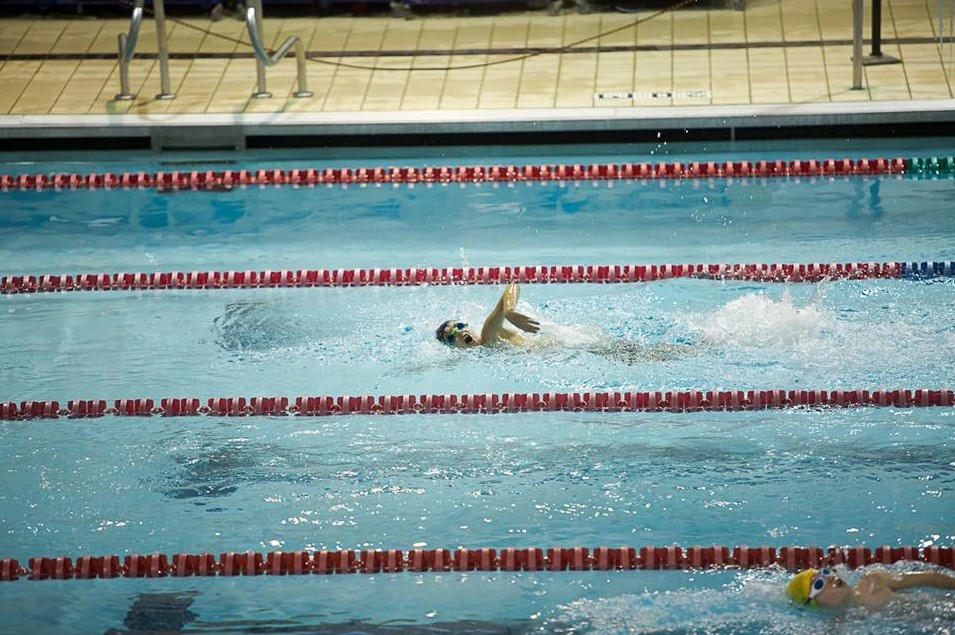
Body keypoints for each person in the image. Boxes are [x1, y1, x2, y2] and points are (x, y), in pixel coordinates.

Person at [787, 566, 955, 610]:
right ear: (815, 604)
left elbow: (927, 577)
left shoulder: (873, 580)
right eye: (819, 584)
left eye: (825, 573)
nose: (831, 578)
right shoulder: (841, 625)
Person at [435, 283, 540, 348]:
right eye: (451, 337)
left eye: (459, 326)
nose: (459, 332)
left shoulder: (488, 334)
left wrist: (509, 312)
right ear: (453, 349)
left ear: (467, 325)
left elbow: (513, 285)